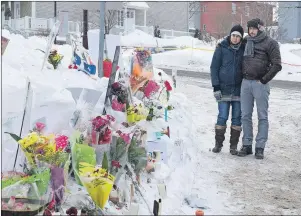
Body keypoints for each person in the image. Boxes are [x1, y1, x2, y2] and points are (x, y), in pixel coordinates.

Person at [237, 18, 282, 159]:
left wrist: (263, 80)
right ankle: (247, 145)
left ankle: (260, 147)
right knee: (245, 116)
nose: (251, 31)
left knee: (262, 116)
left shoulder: (270, 43)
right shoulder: (245, 41)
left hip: (260, 85)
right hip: (245, 83)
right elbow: (232, 46)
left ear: (260, 28)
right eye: (249, 28)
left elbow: (277, 64)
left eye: (254, 28)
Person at [210, 25, 245, 155]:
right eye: (233, 35)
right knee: (222, 116)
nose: (235, 39)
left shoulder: (243, 49)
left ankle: (233, 147)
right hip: (223, 89)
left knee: (237, 118)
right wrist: (216, 87)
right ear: (230, 35)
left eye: (238, 36)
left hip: (238, 90)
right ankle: (218, 144)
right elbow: (214, 68)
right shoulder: (221, 48)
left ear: (241, 38)